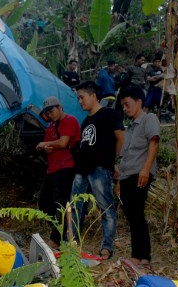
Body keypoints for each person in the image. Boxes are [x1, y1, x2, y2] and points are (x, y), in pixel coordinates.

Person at [69, 81, 125, 259]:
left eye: (82, 97)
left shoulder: (109, 114)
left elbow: (121, 138)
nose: (80, 101)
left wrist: (114, 161)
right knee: (75, 207)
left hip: (100, 168)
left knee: (106, 207)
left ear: (93, 96)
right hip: (81, 170)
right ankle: (72, 245)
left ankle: (106, 247)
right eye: (78, 98)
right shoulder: (85, 121)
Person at [117, 85, 160, 268]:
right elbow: (125, 156)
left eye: (127, 104)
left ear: (139, 101)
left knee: (136, 213)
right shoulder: (130, 128)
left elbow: (154, 141)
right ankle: (141, 255)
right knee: (132, 215)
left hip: (139, 173)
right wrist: (119, 181)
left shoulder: (148, 119)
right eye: (123, 106)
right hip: (126, 176)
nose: (125, 109)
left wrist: (146, 168)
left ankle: (142, 256)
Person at [36, 97, 81, 248]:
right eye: (47, 112)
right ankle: (60, 230)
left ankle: (56, 238)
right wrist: (47, 148)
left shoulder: (70, 120)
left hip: (66, 167)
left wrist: (46, 144)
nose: (50, 114)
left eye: (52, 110)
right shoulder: (50, 127)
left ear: (60, 107)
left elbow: (63, 142)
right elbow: (50, 147)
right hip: (52, 169)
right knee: (44, 203)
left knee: (60, 203)